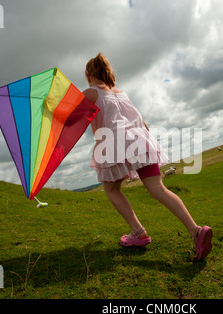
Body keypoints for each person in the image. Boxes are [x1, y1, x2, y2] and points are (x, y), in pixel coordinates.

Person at [82, 53, 213, 260]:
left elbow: (68, 117)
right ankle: (195, 230)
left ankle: (137, 231)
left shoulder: (90, 93)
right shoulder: (122, 93)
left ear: (88, 75)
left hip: (114, 142)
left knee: (112, 188)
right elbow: (142, 122)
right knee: (158, 188)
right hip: (141, 140)